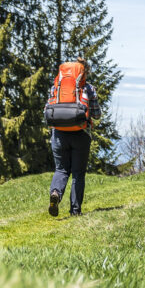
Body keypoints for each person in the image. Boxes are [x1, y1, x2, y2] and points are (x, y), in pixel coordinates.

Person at [47, 58, 101, 217]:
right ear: (85, 72)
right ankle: (75, 211)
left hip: (58, 134)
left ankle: (56, 193)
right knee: (78, 173)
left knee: (61, 169)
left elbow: (48, 108)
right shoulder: (89, 88)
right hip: (81, 134)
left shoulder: (56, 86)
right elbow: (96, 115)